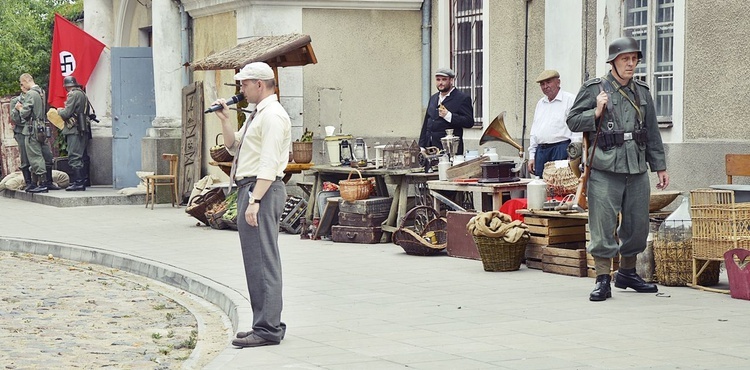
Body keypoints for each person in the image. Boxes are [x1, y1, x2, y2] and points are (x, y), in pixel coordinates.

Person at [567, 37, 669, 302]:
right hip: (604, 168)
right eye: (625, 59)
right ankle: (603, 278)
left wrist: (659, 166)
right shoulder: (594, 89)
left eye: (634, 59)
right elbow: (572, 120)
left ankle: (627, 273)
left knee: (637, 225)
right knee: (602, 225)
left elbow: (652, 132)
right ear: (613, 62)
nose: (631, 64)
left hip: (636, 168)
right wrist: (596, 112)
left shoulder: (642, 92)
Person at [212, 62, 290, 348]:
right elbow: (235, 147)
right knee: (256, 260)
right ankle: (266, 322)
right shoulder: (258, 114)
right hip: (254, 187)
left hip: (262, 189)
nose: (240, 89)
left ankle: (267, 329)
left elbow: (269, 162)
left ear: (259, 84)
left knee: (262, 259)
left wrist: (255, 200)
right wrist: (224, 120)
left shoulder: (272, 116)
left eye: (244, 84)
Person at [526, 70, 581, 177]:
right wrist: (532, 156)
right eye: (542, 84)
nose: (545, 86)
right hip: (541, 152)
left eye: (548, 82)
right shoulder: (540, 104)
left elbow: (576, 129)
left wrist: (573, 155)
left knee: (560, 185)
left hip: (561, 150)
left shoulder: (570, 100)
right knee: (541, 188)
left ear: (558, 82)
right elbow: (535, 131)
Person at [16, 73, 59, 193]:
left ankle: (43, 183)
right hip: (42, 127)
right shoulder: (41, 92)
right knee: (46, 153)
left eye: (22, 83)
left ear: (25, 80)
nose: (22, 86)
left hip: (32, 128)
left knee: (35, 155)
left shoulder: (30, 94)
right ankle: (47, 182)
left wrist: (20, 108)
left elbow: (25, 113)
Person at [418, 68, 475, 155]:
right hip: (429, 149)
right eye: (438, 80)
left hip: (449, 149)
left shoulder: (462, 98)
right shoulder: (433, 98)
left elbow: (469, 122)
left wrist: (449, 116)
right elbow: (426, 123)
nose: (440, 83)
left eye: (444, 79)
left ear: (451, 80)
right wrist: (421, 146)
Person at [56, 76, 92, 191]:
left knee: (74, 156)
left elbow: (66, 113)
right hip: (82, 127)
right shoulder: (82, 93)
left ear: (67, 86)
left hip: (74, 129)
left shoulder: (73, 94)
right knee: (82, 155)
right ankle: (85, 180)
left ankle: (78, 182)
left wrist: (59, 111)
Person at [10, 86, 33, 191]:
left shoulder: (33, 97)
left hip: (33, 130)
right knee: (25, 157)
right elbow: (15, 119)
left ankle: (43, 181)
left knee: (41, 155)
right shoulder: (15, 101)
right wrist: (18, 109)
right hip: (21, 132)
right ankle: (28, 182)